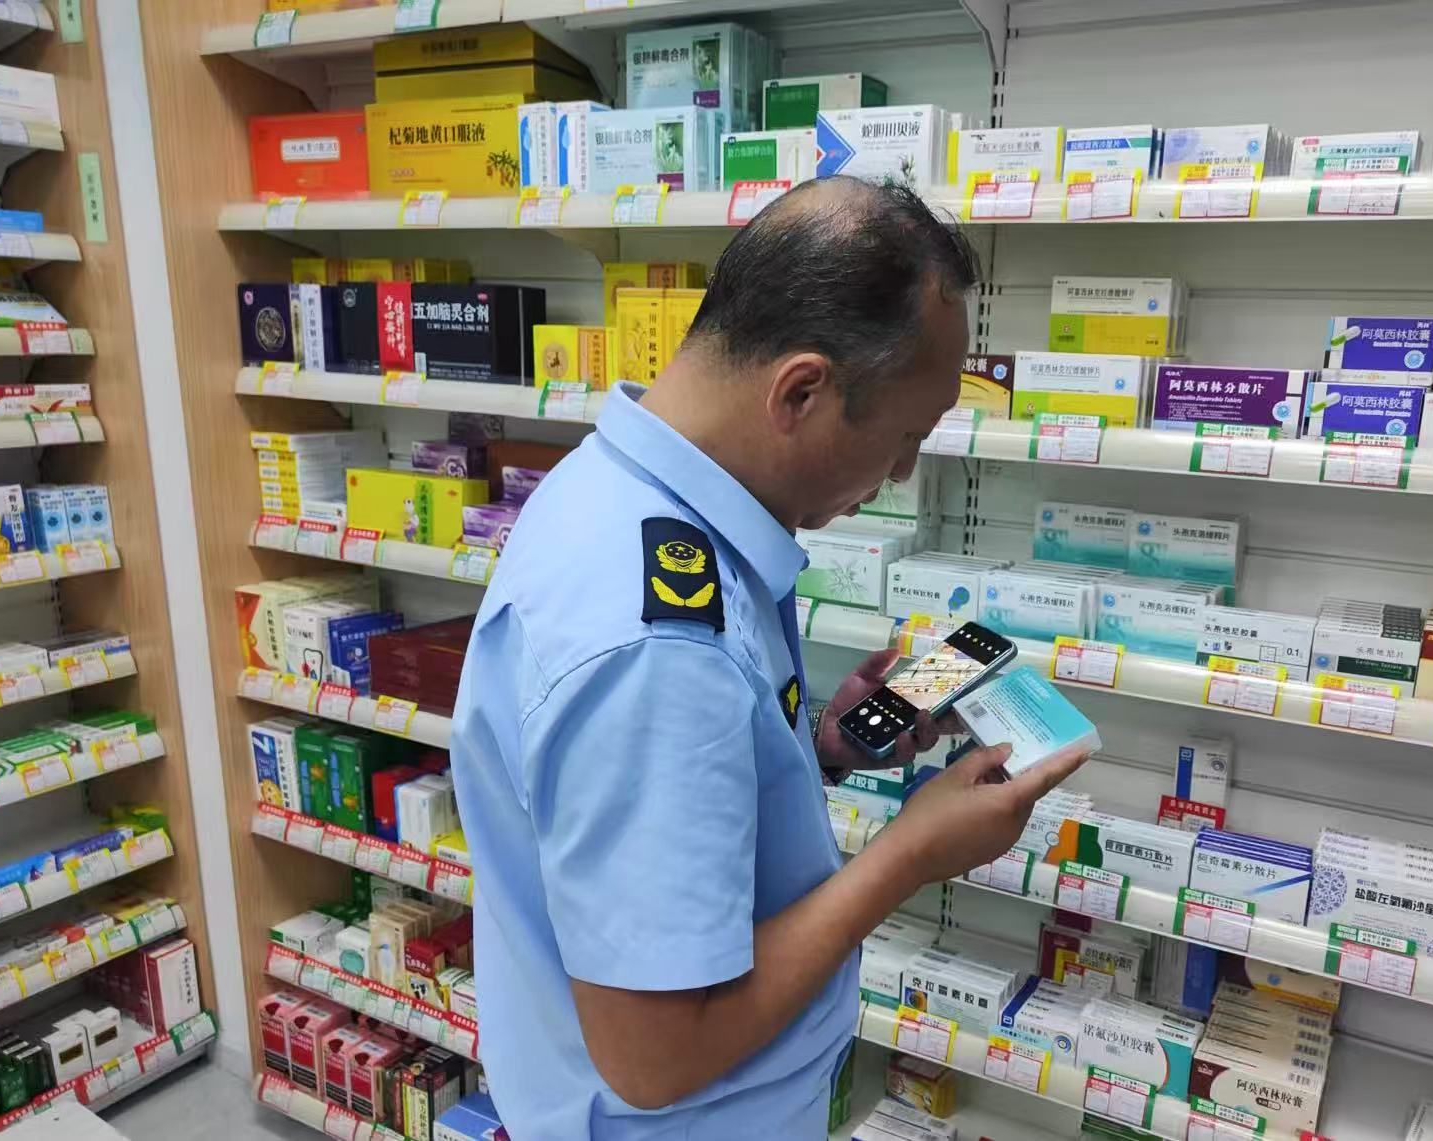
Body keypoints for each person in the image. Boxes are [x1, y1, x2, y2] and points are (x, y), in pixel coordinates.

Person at [450, 176, 1090, 1140]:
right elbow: (656, 1058)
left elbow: (669, 796)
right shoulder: (657, 646)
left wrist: (817, 747)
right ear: (801, 391)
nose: (902, 473)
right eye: (906, 436)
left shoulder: (626, 490)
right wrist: (909, 855)